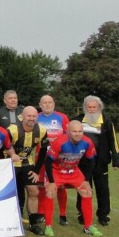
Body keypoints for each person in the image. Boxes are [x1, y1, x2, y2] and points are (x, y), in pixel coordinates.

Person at [37, 121, 103, 237]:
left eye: (80, 131)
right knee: (50, 192)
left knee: (86, 192)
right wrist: (52, 182)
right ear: (68, 132)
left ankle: (88, 226)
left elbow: (91, 161)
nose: (78, 134)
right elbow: (48, 161)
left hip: (73, 170)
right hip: (56, 171)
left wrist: (86, 180)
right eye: (74, 131)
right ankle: (48, 226)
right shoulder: (60, 142)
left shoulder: (87, 142)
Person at [72, 96, 119, 226]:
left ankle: (103, 215)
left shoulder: (106, 122)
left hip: (100, 162)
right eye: (89, 107)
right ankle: (82, 214)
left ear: (99, 108)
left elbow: (113, 141)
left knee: (103, 189)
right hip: (82, 162)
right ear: (85, 108)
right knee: (83, 188)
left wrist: (116, 161)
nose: (91, 110)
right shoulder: (77, 120)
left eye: (94, 107)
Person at [6, 106, 48, 235]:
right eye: (28, 116)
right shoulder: (12, 130)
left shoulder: (41, 130)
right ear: (22, 117)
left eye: (34, 116)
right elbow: (4, 146)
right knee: (9, 194)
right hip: (9, 164)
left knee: (34, 191)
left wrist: (36, 170)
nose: (31, 118)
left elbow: (43, 151)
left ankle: (33, 223)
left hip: (27, 164)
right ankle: (10, 222)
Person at [37, 95, 70, 224]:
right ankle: (41, 212)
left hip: (58, 158)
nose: (47, 105)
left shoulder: (62, 117)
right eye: (44, 103)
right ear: (40, 104)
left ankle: (63, 215)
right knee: (41, 185)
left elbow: (69, 136)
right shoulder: (36, 117)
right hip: (41, 156)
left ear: (54, 103)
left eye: (50, 102)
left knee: (61, 187)